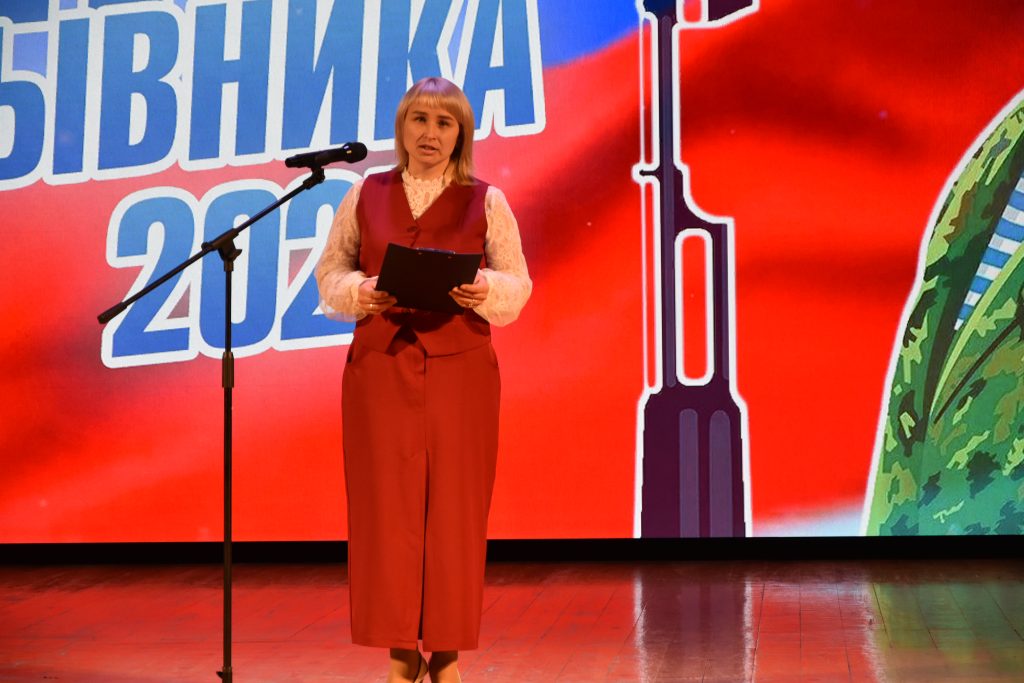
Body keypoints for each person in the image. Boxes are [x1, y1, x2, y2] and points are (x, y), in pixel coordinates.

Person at [315, 77, 531, 683]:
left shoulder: (486, 201)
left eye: (443, 122)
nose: (429, 133)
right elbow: (332, 271)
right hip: (380, 367)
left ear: (461, 133)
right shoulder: (365, 193)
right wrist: (361, 290)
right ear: (402, 126)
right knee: (384, 508)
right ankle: (400, 652)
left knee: (456, 510)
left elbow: (517, 282)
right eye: (419, 119)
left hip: (461, 369)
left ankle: (448, 652)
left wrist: (484, 288)